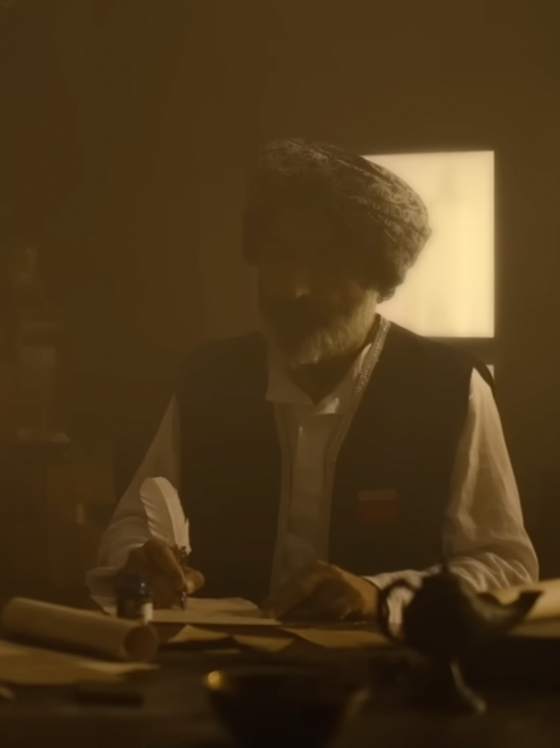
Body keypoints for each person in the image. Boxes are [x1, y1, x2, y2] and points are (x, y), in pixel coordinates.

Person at [89, 138, 537, 622]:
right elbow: (132, 523)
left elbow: (506, 565)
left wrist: (380, 594)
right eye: (279, 255)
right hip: (214, 657)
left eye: (326, 263)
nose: (293, 287)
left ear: (382, 280)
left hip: (382, 660)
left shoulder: (450, 387)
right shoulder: (208, 379)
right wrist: (140, 561)